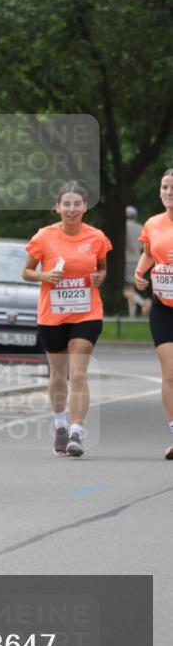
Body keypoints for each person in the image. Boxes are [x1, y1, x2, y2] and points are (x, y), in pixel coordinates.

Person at [22, 180, 112, 458]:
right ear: (57, 207)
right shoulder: (43, 237)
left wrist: (99, 277)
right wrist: (45, 276)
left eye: (77, 204)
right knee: (59, 375)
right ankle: (60, 424)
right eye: (67, 204)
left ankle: (76, 431)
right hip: (52, 315)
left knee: (79, 372)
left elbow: (102, 269)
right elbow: (26, 272)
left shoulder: (96, 237)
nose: (72, 209)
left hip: (87, 311)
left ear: (85, 207)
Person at [133, 168, 173, 460]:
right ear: (160, 192)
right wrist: (139, 271)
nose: (170, 192)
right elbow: (148, 252)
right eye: (166, 187)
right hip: (163, 306)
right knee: (170, 372)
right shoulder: (152, 224)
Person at [123, 206, 151, 318]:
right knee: (132, 289)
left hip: (127, 261)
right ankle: (132, 316)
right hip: (139, 260)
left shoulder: (124, 227)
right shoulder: (141, 227)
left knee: (126, 290)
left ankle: (143, 302)